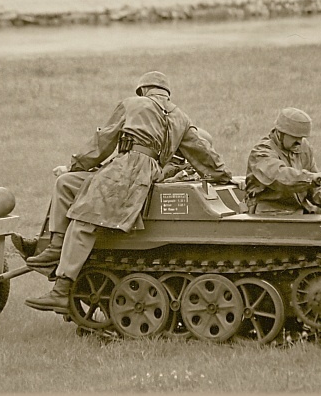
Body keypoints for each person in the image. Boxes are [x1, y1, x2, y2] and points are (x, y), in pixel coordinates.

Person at [23, 71, 240, 314]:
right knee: (66, 183)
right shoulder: (181, 117)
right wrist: (226, 177)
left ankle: (62, 291)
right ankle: (56, 247)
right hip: (145, 172)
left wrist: (77, 163)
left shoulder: (132, 104)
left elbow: (102, 142)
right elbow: (202, 153)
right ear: (166, 94)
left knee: (85, 218)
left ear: (143, 90)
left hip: (127, 169)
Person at [10, 127, 215, 265]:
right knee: (69, 185)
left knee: (72, 189)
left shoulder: (178, 166)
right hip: (124, 188)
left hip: (128, 200)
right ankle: (45, 242)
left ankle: (48, 246)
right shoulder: (170, 159)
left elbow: (155, 176)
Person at [245, 107, 321, 215]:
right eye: (295, 137)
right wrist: (312, 178)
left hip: (299, 211)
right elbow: (281, 177)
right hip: (269, 214)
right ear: (280, 133)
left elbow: (314, 183)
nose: (299, 142)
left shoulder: (303, 148)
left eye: (302, 137)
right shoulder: (261, 153)